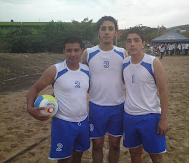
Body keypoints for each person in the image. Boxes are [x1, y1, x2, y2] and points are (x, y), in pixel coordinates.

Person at [27, 36, 90, 163]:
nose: (73, 54)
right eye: (69, 50)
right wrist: (29, 108)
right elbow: (34, 89)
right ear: (64, 51)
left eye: (76, 50)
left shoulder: (87, 70)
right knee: (63, 158)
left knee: (78, 155)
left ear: (82, 51)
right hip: (63, 123)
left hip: (83, 121)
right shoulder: (55, 70)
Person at [81, 16, 128, 163]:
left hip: (118, 106)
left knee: (115, 145)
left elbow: (125, 79)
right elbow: (80, 76)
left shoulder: (123, 53)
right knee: (97, 145)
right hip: (96, 106)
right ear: (98, 32)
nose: (107, 32)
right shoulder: (88, 53)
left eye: (110, 29)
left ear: (116, 33)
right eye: (103, 29)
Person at [123, 27, 169, 163]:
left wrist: (163, 119)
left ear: (143, 44)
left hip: (150, 116)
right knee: (134, 154)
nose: (132, 44)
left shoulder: (153, 62)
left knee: (156, 156)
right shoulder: (124, 63)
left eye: (136, 40)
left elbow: (163, 92)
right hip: (129, 116)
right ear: (126, 45)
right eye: (129, 41)